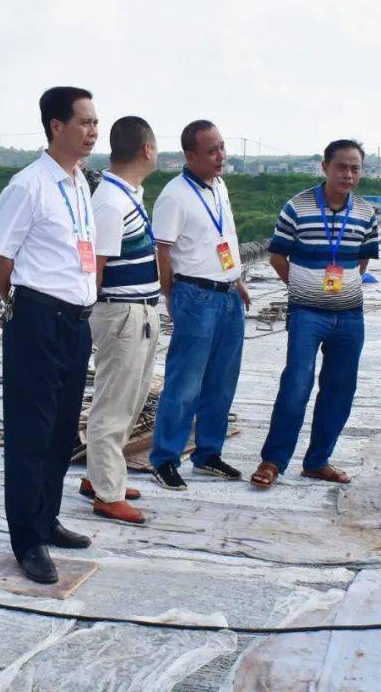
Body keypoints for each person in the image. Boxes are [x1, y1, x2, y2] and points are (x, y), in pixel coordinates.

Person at [0, 87, 99, 584]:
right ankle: (26, 539)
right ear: (56, 126)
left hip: (76, 321)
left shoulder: (79, 182)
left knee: (60, 430)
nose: (93, 131)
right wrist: (27, 305)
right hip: (38, 317)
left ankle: (47, 517)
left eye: (96, 122)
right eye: (84, 122)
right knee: (31, 432)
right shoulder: (28, 185)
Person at [249, 140, 379, 489]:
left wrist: (340, 286)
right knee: (296, 383)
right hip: (307, 314)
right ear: (325, 167)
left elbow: (361, 260)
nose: (348, 175)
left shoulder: (367, 213)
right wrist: (303, 288)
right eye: (341, 167)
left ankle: (318, 460)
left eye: (355, 168)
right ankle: (273, 461)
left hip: (350, 316)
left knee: (340, 388)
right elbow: (277, 256)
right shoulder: (298, 207)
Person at [149, 120, 251, 491]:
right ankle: (165, 458)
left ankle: (208, 453)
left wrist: (237, 280)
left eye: (222, 147)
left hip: (227, 296)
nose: (221, 156)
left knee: (222, 381)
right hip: (195, 296)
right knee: (185, 382)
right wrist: (170, 297)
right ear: (189, 155)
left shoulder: (218, 186)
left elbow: (224, 238)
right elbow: (163, 252)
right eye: (212, 151)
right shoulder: (174, 196)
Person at [77, 116, 161, 524]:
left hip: (140, 311)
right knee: (114, 404)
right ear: (146, 149)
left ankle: (101, 476)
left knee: (130, 399)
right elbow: (98, 267)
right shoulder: (110, 201)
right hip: (123, 314)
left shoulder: (128, 195)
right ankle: (107, 494)